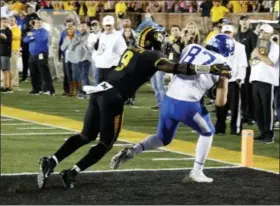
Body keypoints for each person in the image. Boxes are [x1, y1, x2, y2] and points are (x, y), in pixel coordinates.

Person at [37, 27, 231, 189]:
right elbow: (174, 68)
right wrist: (206, 69)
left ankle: (52, 160)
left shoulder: (131, 49)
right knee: (105, 143)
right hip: (113, 98)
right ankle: (71, 173)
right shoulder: (153, 54)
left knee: (86, 135)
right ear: (154, 42)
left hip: (100, 91)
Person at [110, 34, 234, 183]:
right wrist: (224, 80)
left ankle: (133, 150)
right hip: (187, 104)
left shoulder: (191, 47)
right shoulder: (223, 62)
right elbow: (220, 102)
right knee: (208, 132)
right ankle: (197, 171)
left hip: (168, 100)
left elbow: (182, 68)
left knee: (163, 138)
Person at [215, 25, 247, 135]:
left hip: (234, 80)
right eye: (225, 32)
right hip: (221, 78)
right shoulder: (217, 45)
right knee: (220, 105)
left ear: (233, 33)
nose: (227, 34)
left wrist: (240, 79)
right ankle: (220, 128)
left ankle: (236, 128)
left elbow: (243, 64)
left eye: (229, 32)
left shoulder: (240, 47)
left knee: (235, 107)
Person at [250, 24, 279, 144]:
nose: (262, 34)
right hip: (256, 79)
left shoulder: (275, 46)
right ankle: (263, 132)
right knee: (258, 109)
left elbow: (271, 62)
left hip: (267, 80)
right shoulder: (259, 46)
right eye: (261, 32)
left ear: (270, 34)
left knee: (267, 109)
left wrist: (258, 55)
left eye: (265, 32)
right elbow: (252, 63)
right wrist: (253, 56)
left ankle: (269, 134)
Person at [23, 17, 55, 95]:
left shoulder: (44, 31)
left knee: (44, 72)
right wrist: (32, 36)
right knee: (33, 72)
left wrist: (32, 36)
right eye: (37, 22)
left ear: (42, 23)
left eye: (40, 22)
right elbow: (25, 40)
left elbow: (41, 39)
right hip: (32, 54)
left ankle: (49, 89)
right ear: (35, 23)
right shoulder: (32, 31)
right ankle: (36, 89)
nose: (38, 24)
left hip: (41, 54)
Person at [92, 15, 127, 83]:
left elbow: (123, 52)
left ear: (113, 25)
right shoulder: (101, 36)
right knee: (100, 90)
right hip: (100, 67)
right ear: (103, 25)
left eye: (110, 25)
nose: (108, 27)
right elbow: (97, 51)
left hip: (112, 67)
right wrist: (96, 60)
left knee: (110, 90)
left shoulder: (118, 36)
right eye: (106, 25)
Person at [236, 15, 258, 125]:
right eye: (243, 20)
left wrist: (252, 65)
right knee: (242, 92)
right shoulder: (237, 35)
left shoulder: (253, 35)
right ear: (240, 22)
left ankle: (252, 115)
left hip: (249, 69)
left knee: (249, 92)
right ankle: (245, 114)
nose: (244, 22)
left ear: (249, 23)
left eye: (246, 21)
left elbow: (255, 52)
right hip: (239, 68)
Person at [9, 16, 22, 90]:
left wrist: (6, 35)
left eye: (12, 20)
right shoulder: (9, 29)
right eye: (10, 20)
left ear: (15, 21)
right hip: (7, 50)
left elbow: (15, 37)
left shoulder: (17, 29)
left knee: (14, 67)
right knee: (7, 67)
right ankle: (7, 82)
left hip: (14, 50)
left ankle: (15, 83)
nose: (11, 22)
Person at [0, 17, 13, 93]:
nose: (4, 23)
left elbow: (9, 41)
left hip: (5, 52)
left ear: (7, 22)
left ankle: (9, 87)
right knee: (3, 70)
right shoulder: (1, 30)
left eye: (5, 21)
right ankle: (4, 86)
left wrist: (3, 37)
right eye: (2, 22)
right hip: (1, 52)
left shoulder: (9, 31)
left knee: (7, 70)